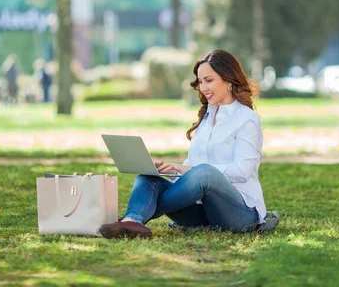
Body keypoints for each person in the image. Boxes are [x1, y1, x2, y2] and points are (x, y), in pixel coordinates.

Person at [99, 50, 267, 239]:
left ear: (228, 79)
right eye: (201, 82)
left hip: (239, 214)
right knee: (147, 179)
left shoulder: (246, 119)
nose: (203, 87)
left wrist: (189, 170)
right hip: (200, 213)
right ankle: (132, 221)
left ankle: (135, 218)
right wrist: (171, 171)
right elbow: (192, 167)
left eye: (209, 80)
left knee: (204, 172)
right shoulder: (208, 116)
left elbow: (243, 170)